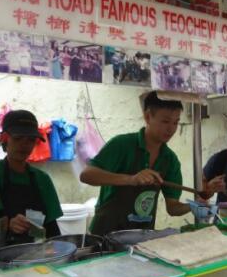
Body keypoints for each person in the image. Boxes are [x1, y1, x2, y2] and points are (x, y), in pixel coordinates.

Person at [80, 91, 201, 236]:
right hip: (106, 235)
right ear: (148, 117)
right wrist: (131, 179)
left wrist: (194, 206)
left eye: (176, 122)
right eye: (165, 121)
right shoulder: (122, 145)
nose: (171, 129)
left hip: (142, 237)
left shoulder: (170, 160)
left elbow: (173, 208)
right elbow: (86, 175)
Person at [0, 110, 63, 244]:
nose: (24, 145)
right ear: (5, 139)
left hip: (35, 252)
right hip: (0, 254)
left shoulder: (42, 179)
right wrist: (7, 224)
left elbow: (51, 227)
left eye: (31, 140)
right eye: (18, 138)